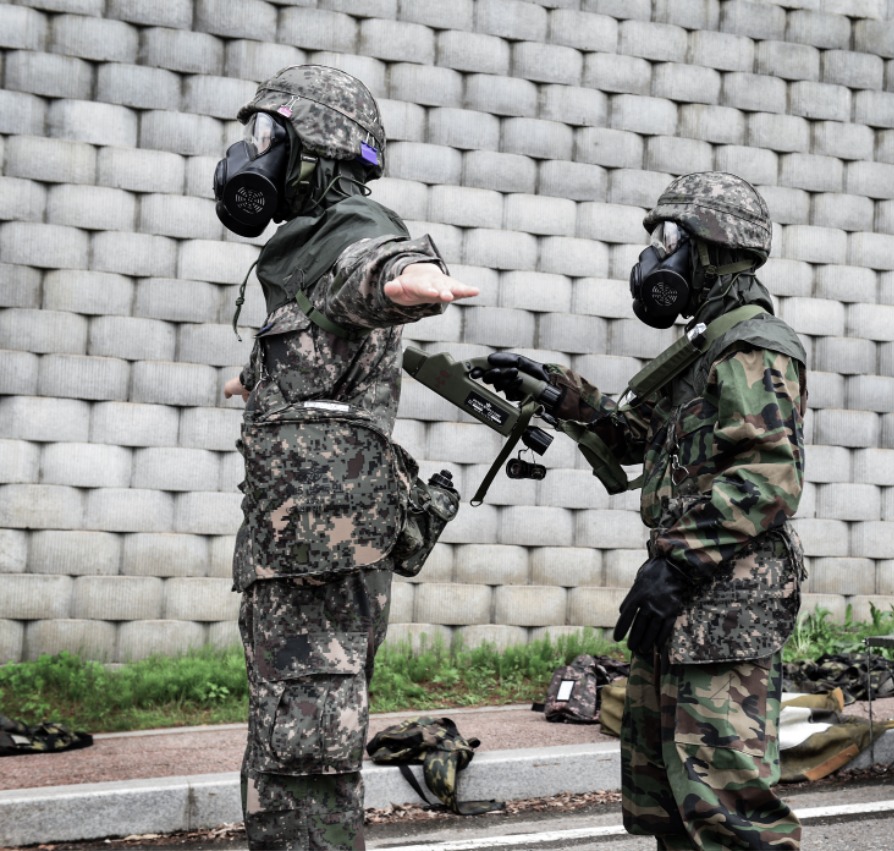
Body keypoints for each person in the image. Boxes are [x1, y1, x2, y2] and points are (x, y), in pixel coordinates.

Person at [481, 172, 807, 849]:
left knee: (728, 810)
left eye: (669, 238)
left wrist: (678, 563)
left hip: (723, 606)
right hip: (684, 602)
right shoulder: (701, 351)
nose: (655, 258)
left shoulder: (753, 345)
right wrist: (558, 392)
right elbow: (638, 437)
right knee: (664, 806)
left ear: (712, 250)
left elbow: (768, 477)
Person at [217, 64, 478, 851]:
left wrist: (410, 278)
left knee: (309, 769)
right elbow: (326, 348)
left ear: (318, 151)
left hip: (323, 574)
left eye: (270, 137)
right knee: (283, 764)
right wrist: (260, 381)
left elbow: (371, 273)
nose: (249, 154)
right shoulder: (301, 258)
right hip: (290, 565)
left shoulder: (353, 236)